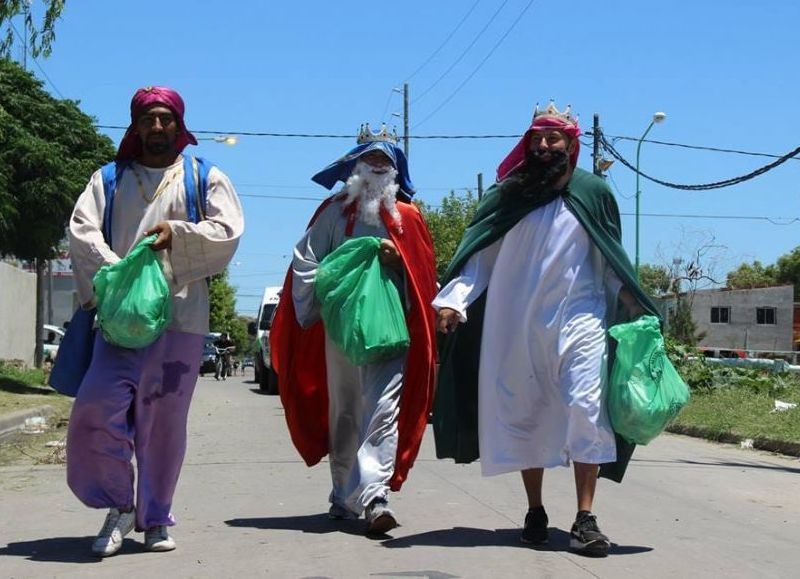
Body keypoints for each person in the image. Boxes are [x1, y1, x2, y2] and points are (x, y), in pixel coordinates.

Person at [432, 102, 659, 556]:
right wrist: (455, 301)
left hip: (582, 318)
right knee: (526, 414)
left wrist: (632, 300)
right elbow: (481, 260)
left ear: (571, 145)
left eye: (553, 139)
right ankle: (535, 510)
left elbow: (610, 254)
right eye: (536, 138)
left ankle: (585, 517)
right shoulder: (507, 195)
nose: (543, 146)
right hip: (516, 323)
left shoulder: (593, 192)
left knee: (587, 409)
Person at [66, 86, 244, 556]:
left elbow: (228, 231)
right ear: (135, 127)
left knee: (163, 424)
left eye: (166, 118)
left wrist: (178, 235)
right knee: (94, 410)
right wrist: (117, 274)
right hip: (120, 320)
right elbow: (81, 231)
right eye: (148, 120)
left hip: (180, 321)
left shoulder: (204, 177)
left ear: (179, 124)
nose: (158, 128)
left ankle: (155, 516)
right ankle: (118, 505)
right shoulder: (108, 179)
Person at [270, 124, 438, 534]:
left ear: (396, 170)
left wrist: (397, 260)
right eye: (371, 159)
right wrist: (332, 288)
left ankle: (375, 495)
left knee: (383, 410)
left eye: (386, 161)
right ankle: (343, 494)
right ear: (356, 166)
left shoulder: (410, 218)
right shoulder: (333, 212)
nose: (378, 166)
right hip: (341, 330)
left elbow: (424, 274)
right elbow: (305, 261)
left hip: (390, 328)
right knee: (344, 411)